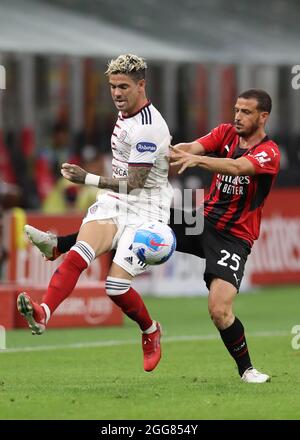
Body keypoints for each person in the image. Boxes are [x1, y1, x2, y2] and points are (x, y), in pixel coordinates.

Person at [24, 89, 279, 383]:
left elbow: (237, 167)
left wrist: (198, 162)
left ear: (263, 117)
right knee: (135, 213)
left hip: (233, 238)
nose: (237, 116)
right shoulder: (225, 133)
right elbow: (188, 148)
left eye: (246, 112)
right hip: (201, 220)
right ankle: (58, 246)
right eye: (236, 109)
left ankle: (247, 370)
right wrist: (159, 151)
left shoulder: (269, 152)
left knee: (219, 310)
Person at [17, 54, 174, 373]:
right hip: (117, 200)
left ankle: (150, 330)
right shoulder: (124, 112)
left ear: (141, 85)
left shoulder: (148, 128)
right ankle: (44, 313)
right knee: (80, 254)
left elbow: (136, 184)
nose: (116, 93)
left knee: (114, 288)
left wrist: (85, 177)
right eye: (112, 86)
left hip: (148, 210)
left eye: (124, 87)